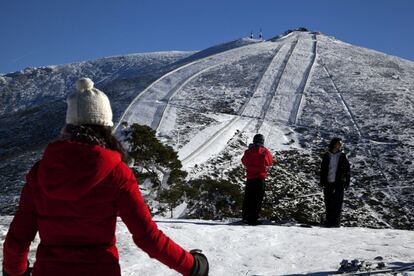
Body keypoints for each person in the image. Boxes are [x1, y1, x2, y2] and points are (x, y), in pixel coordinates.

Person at [2, 78, 209, 276]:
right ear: (106, 125)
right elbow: (148, 238)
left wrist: (15, 272)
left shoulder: (40, 172)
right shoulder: (116, 172)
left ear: (69, 125)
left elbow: (16, 242)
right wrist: (193, 267)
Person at [241, 134, 273, 225]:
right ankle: (253, 219)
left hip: (250, 178)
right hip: (260, 178)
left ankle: (245, 216)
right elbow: (269, 163)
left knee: (248, 197)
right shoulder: (264, 151)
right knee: (257, 199)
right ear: (262, 141)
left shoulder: (248, 151)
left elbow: (244, 161)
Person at [319, 137, 351, 227]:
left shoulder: (342, 156)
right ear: (333, 144)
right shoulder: (327, 155)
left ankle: (336, 222)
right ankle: (329, 221)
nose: (340, 145)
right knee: (328, 201)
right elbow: (323, 169)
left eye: (340, 144)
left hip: (339, 182)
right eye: (338, 143)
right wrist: (322, 181)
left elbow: (347, 169)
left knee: (337, 202)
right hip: (328, 181)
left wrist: (347, 181)